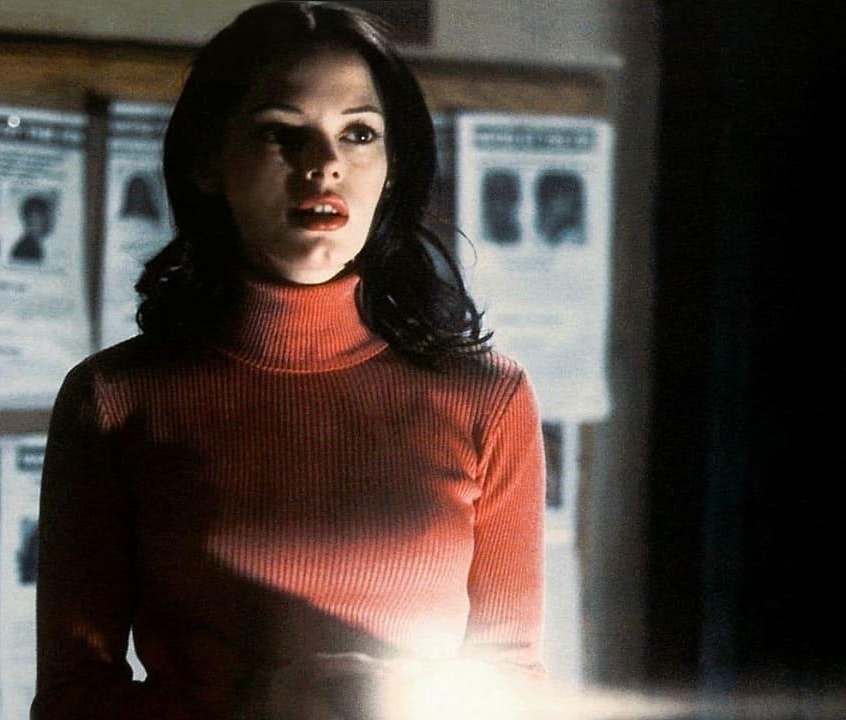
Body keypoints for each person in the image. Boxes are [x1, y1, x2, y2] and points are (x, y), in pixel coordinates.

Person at [35, 3, 545, 719]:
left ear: (392, 170)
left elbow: (516, 680)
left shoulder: (490, 399)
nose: (324, 164)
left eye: (358, 134)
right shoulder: (115, 399)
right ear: (209, 162)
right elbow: (71, 699)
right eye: (281, 132)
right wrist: (259, 709)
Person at [11, 195, 54, 263]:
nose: (49, 222)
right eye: (44, 217)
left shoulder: (33, 246)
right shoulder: (27, 249)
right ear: (29, 219)